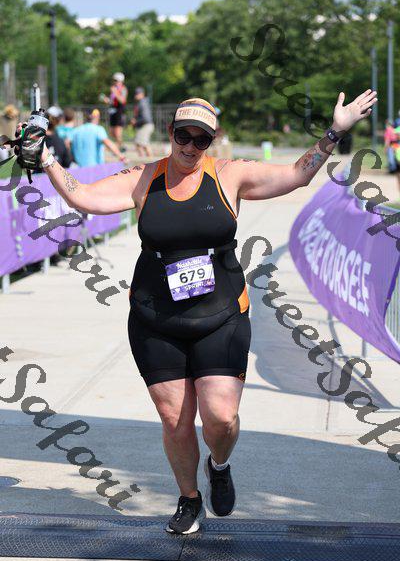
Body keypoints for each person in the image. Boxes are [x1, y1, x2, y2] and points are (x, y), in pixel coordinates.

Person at [17, 90, 376, 535]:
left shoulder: (229, 175)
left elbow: (296, 176)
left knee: (221, 418)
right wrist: (46, 158)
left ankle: (219, 465)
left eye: (201, 139)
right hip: (156, 318)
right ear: (170, 133)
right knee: (175, 419)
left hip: (221, 313)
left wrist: (335, 131)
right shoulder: (144, 177)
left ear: (212, 140)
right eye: (182, 136)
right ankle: (189, 499)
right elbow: (85, 197)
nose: (190, 146)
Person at [102, 72, 128, 150]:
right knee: (112, 132)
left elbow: (122, 100)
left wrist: (115, 92)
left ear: (121, 81)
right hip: (113, 112)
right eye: (114, 80)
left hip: (120, 112)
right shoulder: (114, 89)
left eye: (116, 80)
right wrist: (107, 100)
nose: (115, 82)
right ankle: (121, 146)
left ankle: (118, 149)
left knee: (117, 133)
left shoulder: (123, 89)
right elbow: (112, 102)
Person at [131, 86, 154, 157]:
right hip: (145, 125)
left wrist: (136, 121)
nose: (136, 95)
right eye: (135, 93)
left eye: (138, 93)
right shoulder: (141, 102)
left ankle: (146, 160)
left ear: (142, 94)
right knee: (142, 144)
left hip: (146, 125)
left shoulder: (142, 103)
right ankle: (147, 160)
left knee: (140, 144)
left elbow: (145, 118)